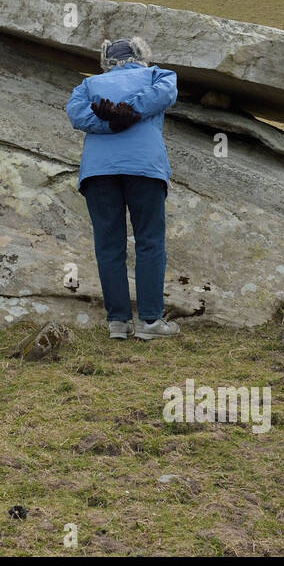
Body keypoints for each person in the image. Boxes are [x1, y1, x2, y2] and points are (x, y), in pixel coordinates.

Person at [66, 38, 179, 341]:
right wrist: (129, 112)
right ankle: (151, 322)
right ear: (141, 55)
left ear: (105, 60)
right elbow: (165, 95)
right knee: (149, 242)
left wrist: (111, 121)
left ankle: (118, 322)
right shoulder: (159, 75)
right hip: (145, 167)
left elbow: (76, 115)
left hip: (98, 171)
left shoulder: (89, 85)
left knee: (108, 245)